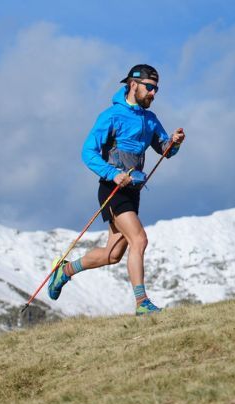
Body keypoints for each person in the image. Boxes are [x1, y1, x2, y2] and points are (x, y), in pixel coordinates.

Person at [46, 64, 185, 316]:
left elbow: (164, 150)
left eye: (156, 89)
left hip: (133, 190)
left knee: (112, 256)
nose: (153, 93)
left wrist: (174, 142)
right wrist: (114, 174)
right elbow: (87, 152)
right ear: (133, 84)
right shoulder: (110, 116)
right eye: (150, 88)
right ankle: (142, 303)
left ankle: (63, 271)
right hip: (112, 189)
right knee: (139, 239)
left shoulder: (150, 119)